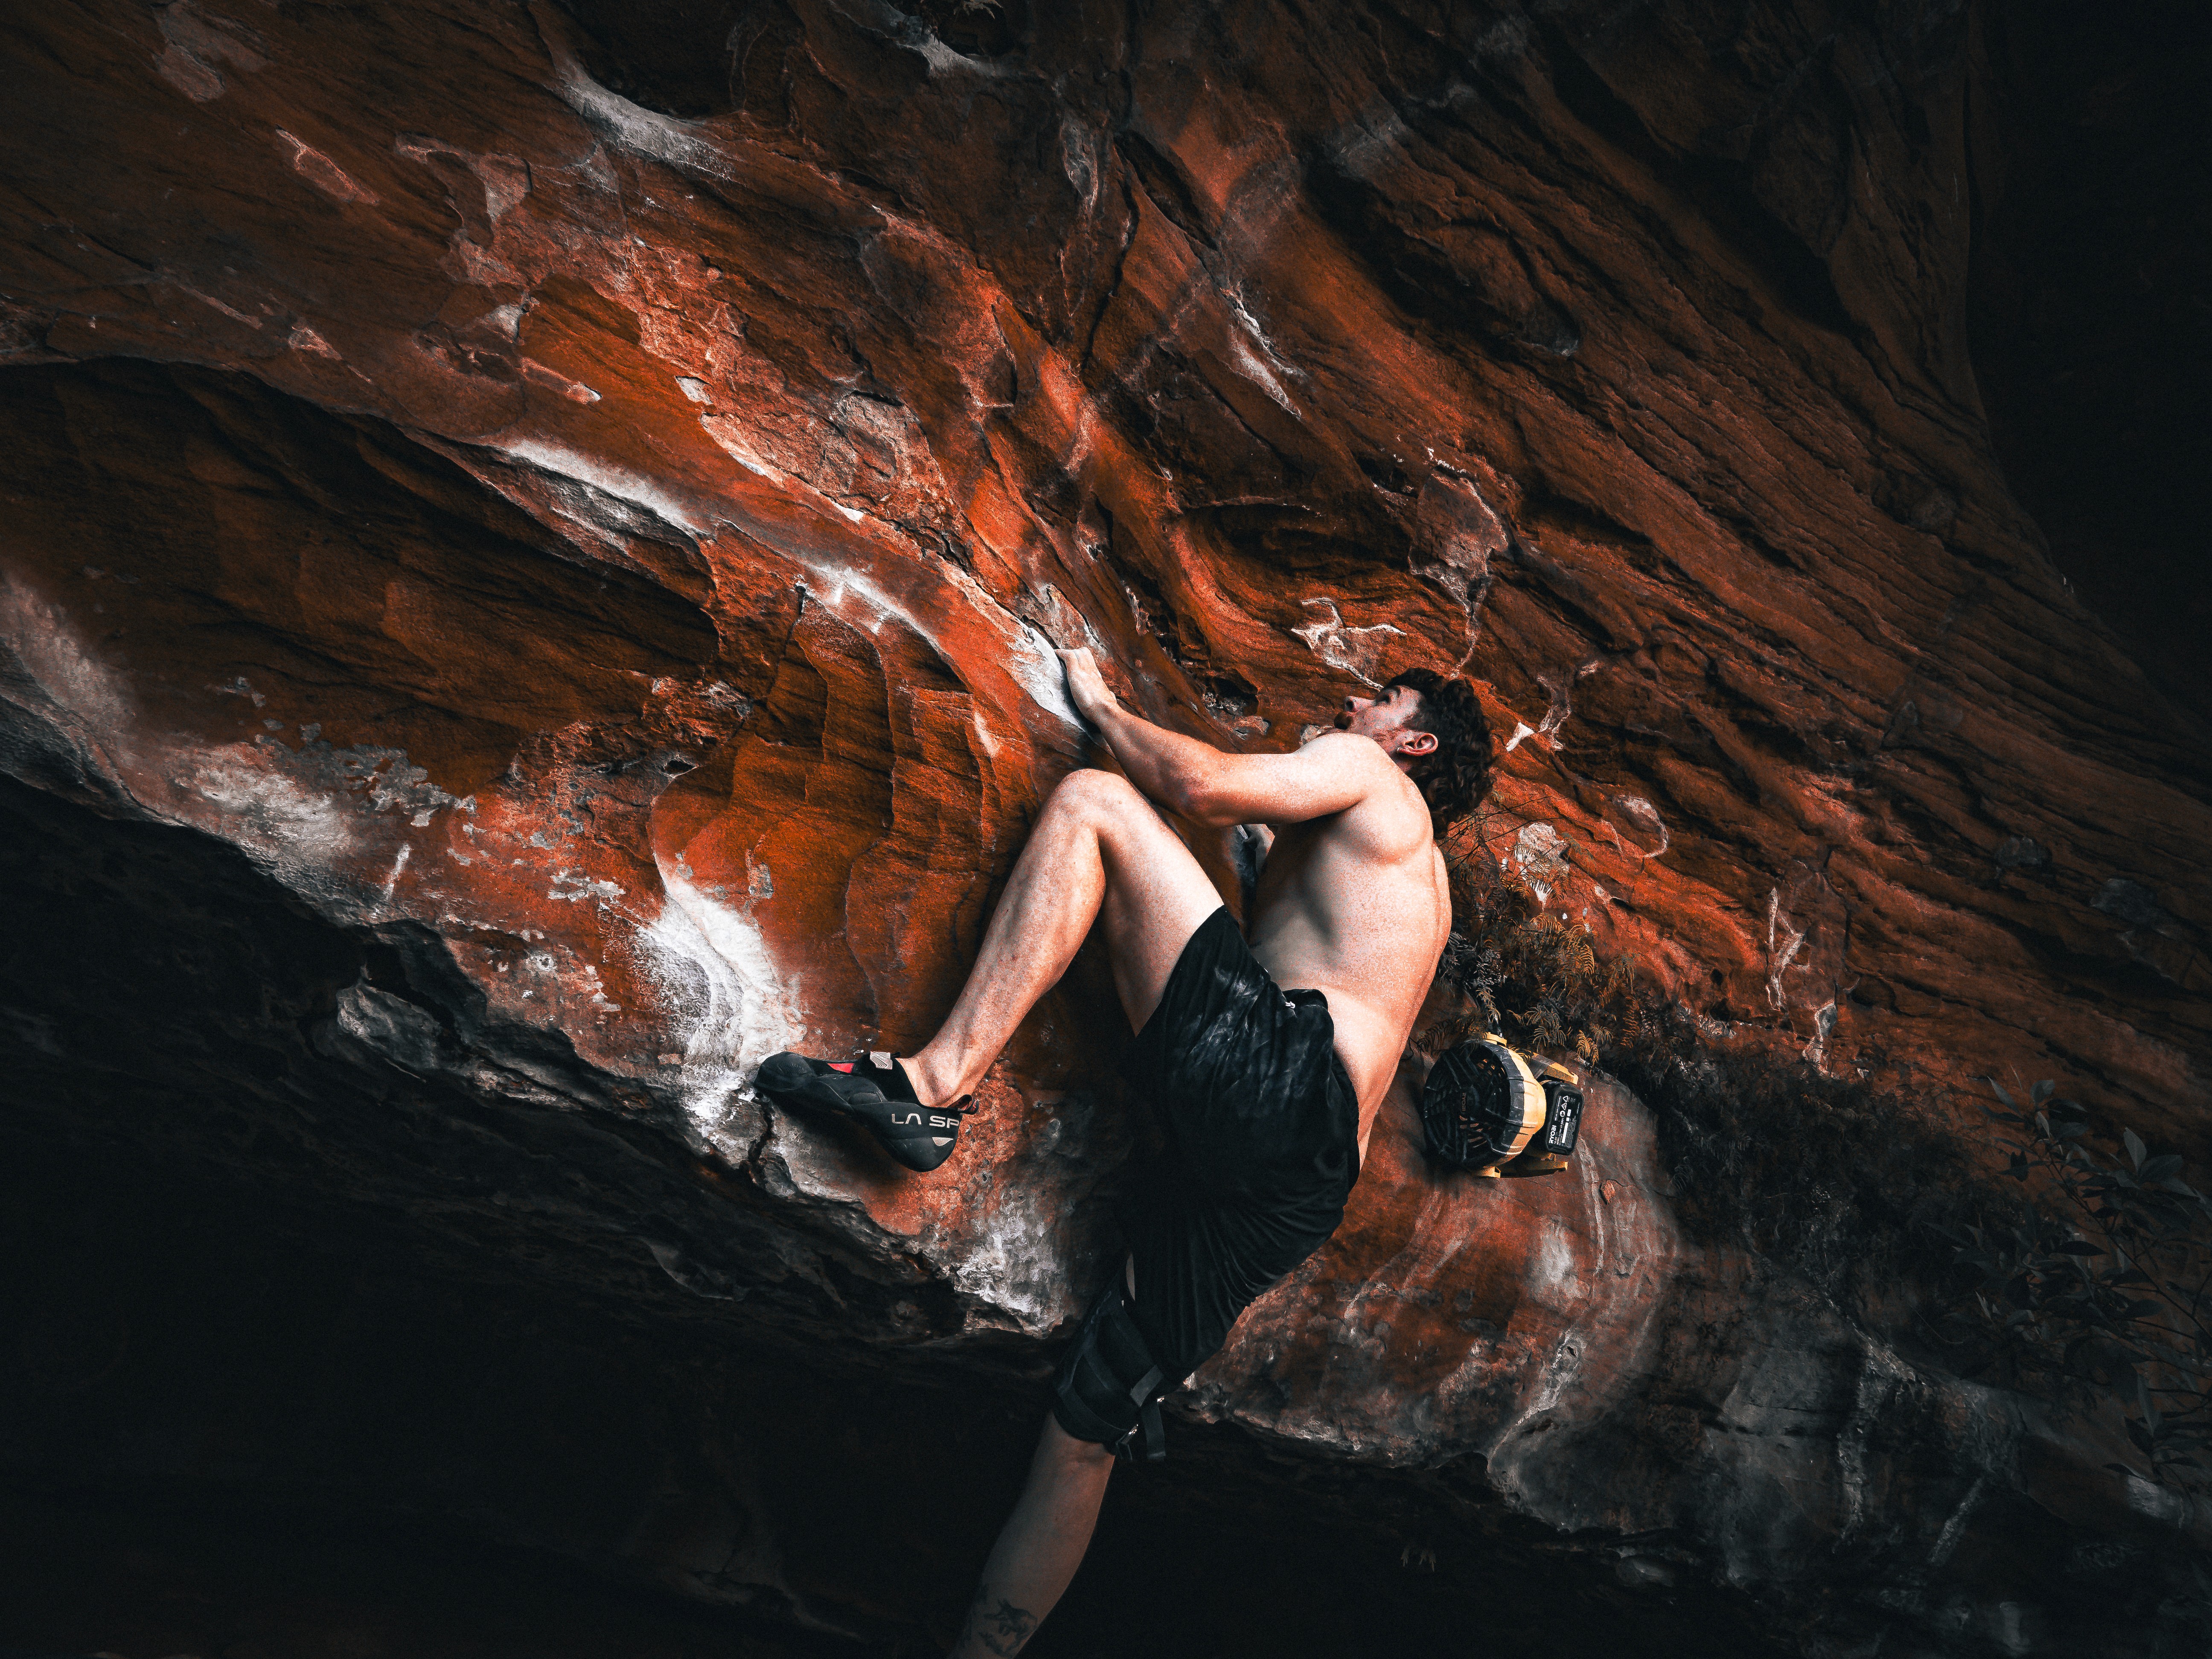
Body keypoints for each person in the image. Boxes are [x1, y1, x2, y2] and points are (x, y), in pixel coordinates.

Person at [756, 649, 1491, 1658]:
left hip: (1281, 1084)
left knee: (1097, 804)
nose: (1350, 701)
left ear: (1415, 742)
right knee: (1085, 1436)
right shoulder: (1416, 879)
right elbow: (1277, 913)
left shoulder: (1373, 775)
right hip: (1302, 1189)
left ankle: (929, 1089)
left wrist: (1101, 701)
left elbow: (1197, 784)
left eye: (1380, 701)